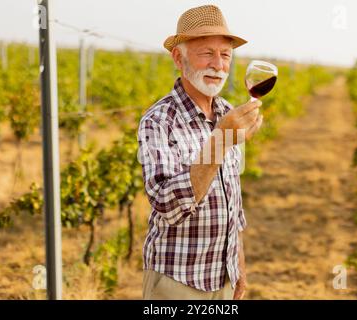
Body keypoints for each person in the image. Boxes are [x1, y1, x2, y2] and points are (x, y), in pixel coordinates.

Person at [138, 4, 263, 300]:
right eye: (207, 53)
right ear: (178, 58)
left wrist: (239, 267)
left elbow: (232, 199)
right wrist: (219, 141)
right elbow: (166, 204)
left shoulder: (227, 112)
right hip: (177, 280)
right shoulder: (159, 121)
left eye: (225, 55)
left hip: (224, 277)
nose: (218, 65)